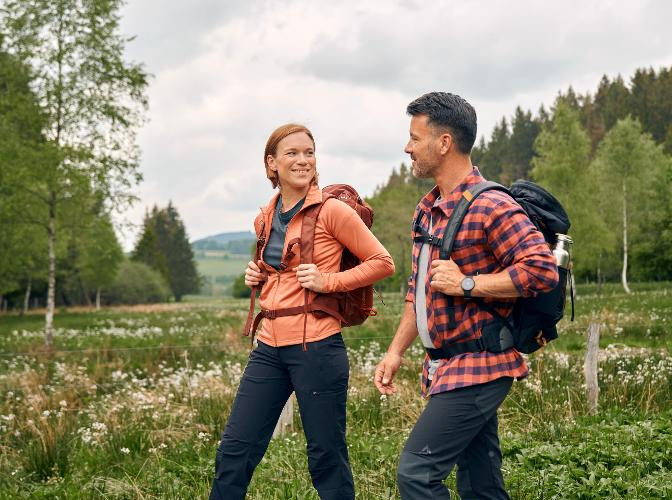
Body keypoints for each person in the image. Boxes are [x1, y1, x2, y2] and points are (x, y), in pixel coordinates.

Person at [373, 92, 559, 500]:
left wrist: (467, 284)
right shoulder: (427, 210)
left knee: (417, 475)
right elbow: (419, 288)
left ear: (444, 143)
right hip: (445, 367)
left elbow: (541, 270)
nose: (407, 147)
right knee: (481, 485)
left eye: (415, 138)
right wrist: (395, 351)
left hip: (480, 365)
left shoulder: (492, 206)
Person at [210, 123, 395, 500]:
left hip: (318, 348)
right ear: (271, 163)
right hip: (268, 348)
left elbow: (382, 262)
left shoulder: (333, 211)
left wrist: (329, 281)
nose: (303, 160)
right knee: (235, 450)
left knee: (326, 457)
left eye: (309, 152)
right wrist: (257, 274)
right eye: (292, 153)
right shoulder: (264, 217)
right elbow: (279, 272)